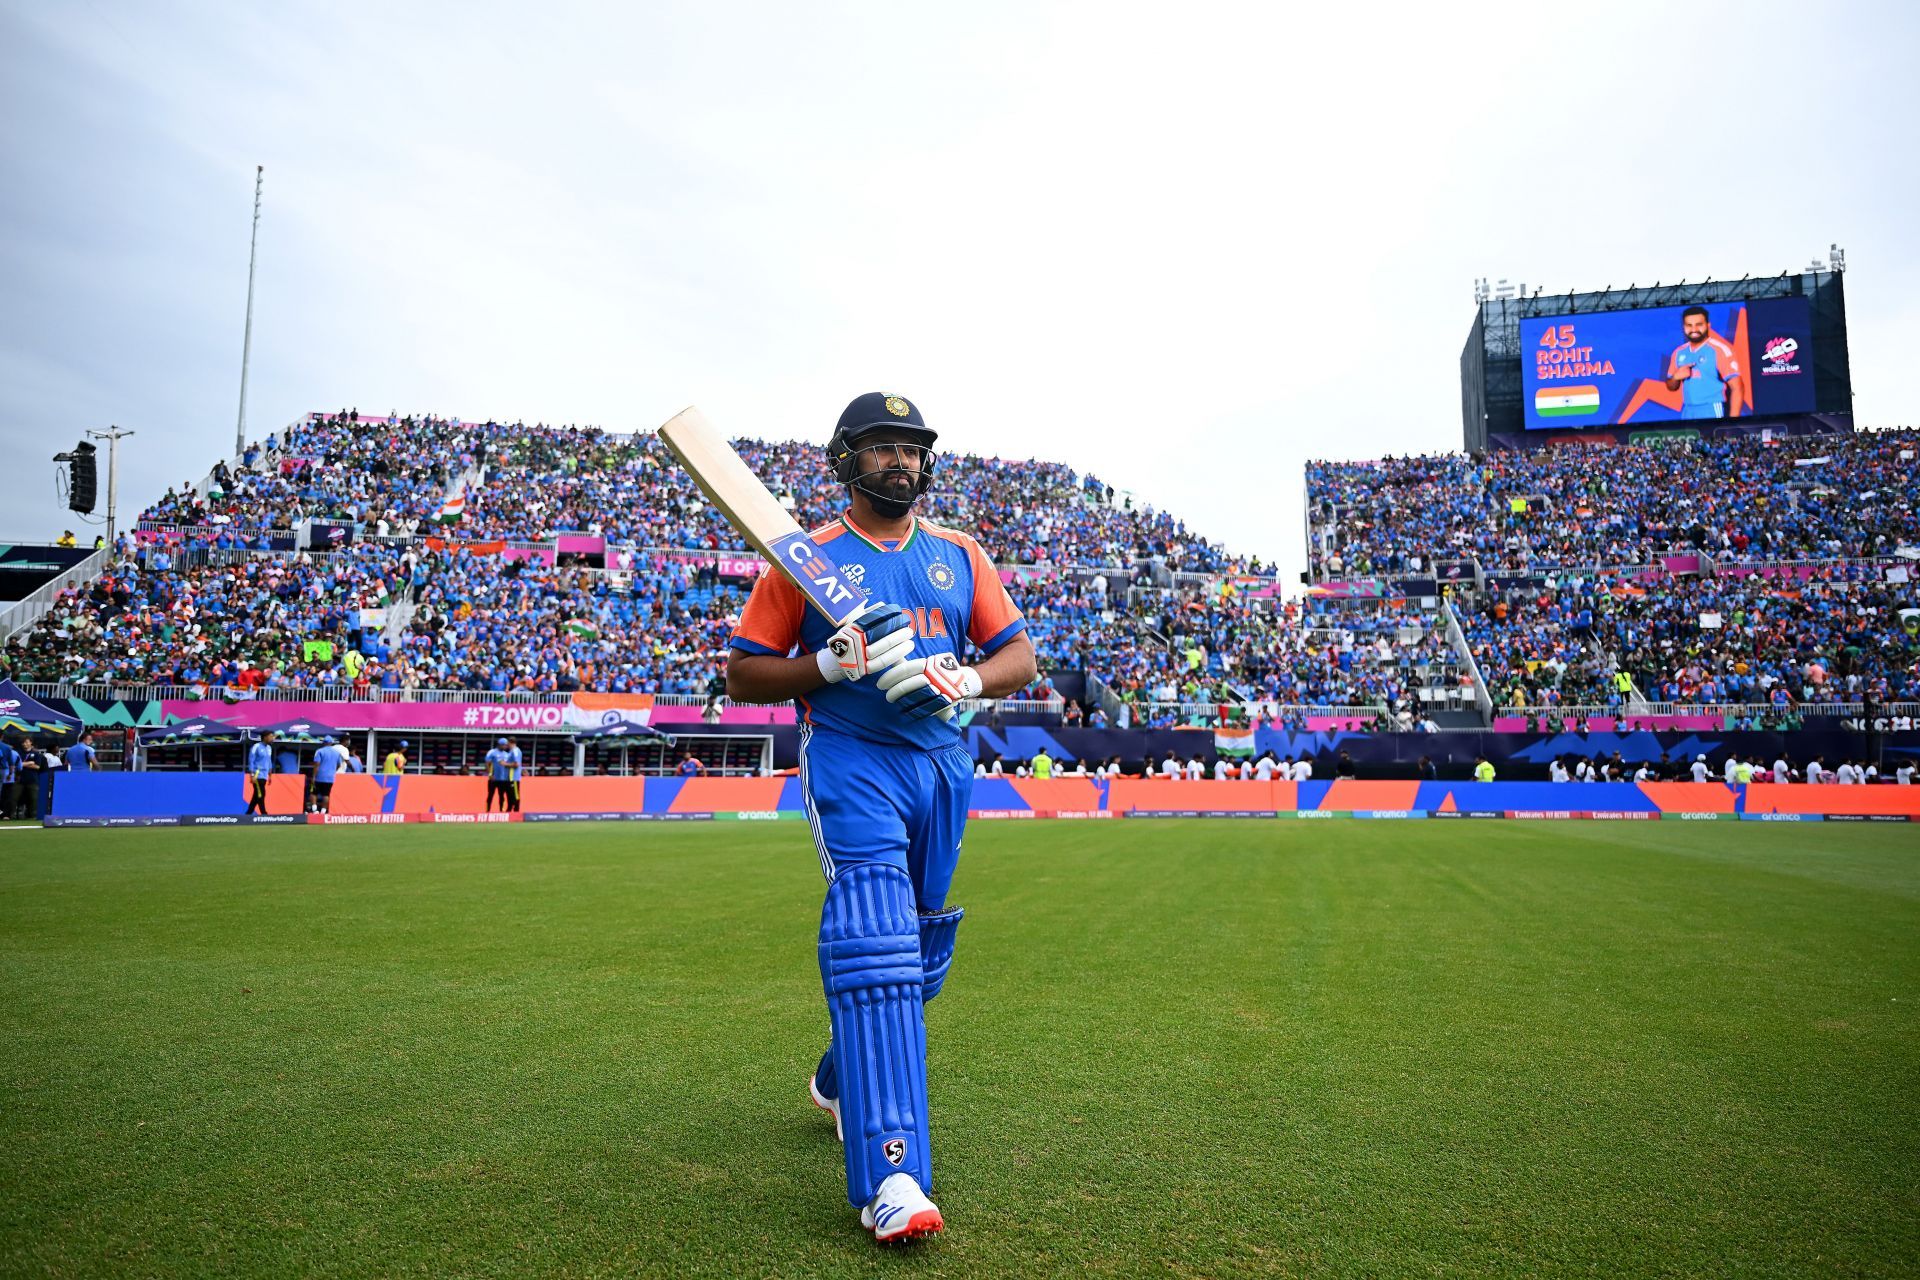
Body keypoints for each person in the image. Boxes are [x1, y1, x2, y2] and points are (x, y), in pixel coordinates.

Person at [724, 391, 1035, 1243]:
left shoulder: (959, 554)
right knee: (875, 939)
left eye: (911, 448)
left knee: (920, 944)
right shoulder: (805, 561)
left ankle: (840, 1074)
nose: (899, 461)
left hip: (943, 761)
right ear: (845, 459)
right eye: (881, 447)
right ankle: (892, 1174)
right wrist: (827, 661)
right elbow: (743, 675)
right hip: (853, 762)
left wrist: (967, 680)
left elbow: (1018, 653)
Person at [1665, 305, 1742, 421]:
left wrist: (1732, 424)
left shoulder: (1719, 350)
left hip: (1712, 408)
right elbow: (1671, 386)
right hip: (1687, 410)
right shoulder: (1678, 352)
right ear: (1684, 327)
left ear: (1708, 325)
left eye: (1699, 324)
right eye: (1689, 325)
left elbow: (1738, 388)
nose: (1694, 329)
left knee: (1714, 439)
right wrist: (1676, 377)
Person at [311, 736, 349, 814]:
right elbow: (339, 764)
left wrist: (313, 776)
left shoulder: (319, 751)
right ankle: (323, 811)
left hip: (319, 776)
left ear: (324, 742)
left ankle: (314, 810)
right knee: (326, 794)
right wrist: (333, 771)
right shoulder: (336, 753)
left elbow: (316, 764)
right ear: (331, 743)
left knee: (314, 793)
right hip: (330, 777)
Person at [246, 731, 275, 816]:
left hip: (265, 775)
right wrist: (251, 775)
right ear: (265, 737)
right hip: (257, 774)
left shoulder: (269, 748)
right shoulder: (256, 747)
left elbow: (269, 762)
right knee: (261, 793)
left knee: (256, 795)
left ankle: (248, 813)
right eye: (270, 736)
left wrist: (270, 775)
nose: (272, 738)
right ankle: (264, 813)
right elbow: (251, 760)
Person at [485, 738, 513, 811]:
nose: (505, 747)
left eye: (506, 745)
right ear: (499, 744)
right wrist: (490, 774)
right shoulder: (492, 752)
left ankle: (501, 811)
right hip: (493, 778)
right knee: (490, 795)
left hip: (503, 779)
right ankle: (487, 811)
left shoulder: (507, 754)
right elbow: (487, 763)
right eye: (504, 745)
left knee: (502, 796)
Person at [0, 737, 19, 819]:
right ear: (2, 736)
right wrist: (10, 774)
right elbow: (12, 763)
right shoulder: (7, 748)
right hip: (2, 771)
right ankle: (4, 814)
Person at [505, 736, 524, 812]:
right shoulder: (511, 751)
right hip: (509, 777)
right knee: (510, 794)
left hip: (514, 777)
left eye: (507, 743)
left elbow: (516, 764)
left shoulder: (515, 751)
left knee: (515, 794)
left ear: (511, 742)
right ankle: (509, 810)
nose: (507, 745)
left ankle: (516, 811)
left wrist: (505, 764)